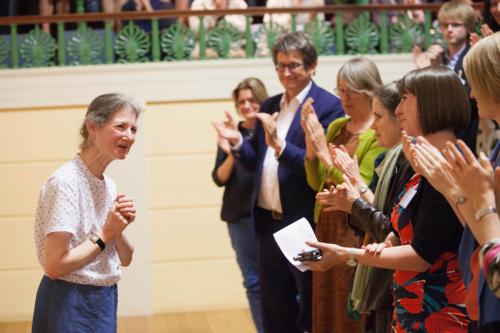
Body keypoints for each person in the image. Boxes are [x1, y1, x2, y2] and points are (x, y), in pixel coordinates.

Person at [305, 66, 471, 333]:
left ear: (431, 103)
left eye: (405, 99)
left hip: (437, 312)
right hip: (412, 305)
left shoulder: (445, 166)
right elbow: (402, 226)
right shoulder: (423, 165)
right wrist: (390, 239)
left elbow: (422, 254)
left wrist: (347, 254)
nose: (399, 110)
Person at [213, 31, 343, 333]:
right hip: (268, 224)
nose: (286, 73)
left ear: (312, 66)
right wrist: (236, 143)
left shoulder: (327, 107)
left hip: (304, 226)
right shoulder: (271, 103)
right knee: (275, 307)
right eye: (280, 66)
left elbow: (318, 168)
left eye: (294, 65)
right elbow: (255, 160)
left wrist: (280, 146)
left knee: (310, 302)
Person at [407, 32, 500, 331]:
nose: (471, 94)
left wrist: (467, 197)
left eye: (474, 82)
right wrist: (452, 189)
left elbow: (492, 231)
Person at [32, 93, 142, 333]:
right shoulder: (66, 182)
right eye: (121, 126)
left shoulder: (108, 184)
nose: (129, 136)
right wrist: (106, 232)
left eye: (133, 129)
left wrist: (118, 228)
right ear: (92, 126)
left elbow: (126, 258)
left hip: (103, 299)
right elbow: (54, 265)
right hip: (68, 301)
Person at [314, 83, 413, 333]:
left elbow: (391, 228)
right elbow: (385, 218)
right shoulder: (390, 158)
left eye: (378, 117)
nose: (374, 125)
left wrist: (353, 202)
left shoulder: (407, 163)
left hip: (401, 283)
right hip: (384, 276)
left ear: (401, 118)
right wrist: (353, 195)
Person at [301, 57, 385, 333]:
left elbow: (361, 187)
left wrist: (325, 157)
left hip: (354, 230)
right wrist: (311, 149)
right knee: (324, 306)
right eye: (340, 90)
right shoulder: (337, 126)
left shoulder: (376, 134)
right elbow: (317, 182)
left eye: (351, 91)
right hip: (325, 224)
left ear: (369, 91)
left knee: (348, 306)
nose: (344, 97)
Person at [211, 78, 268, 333]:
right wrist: (233, 149)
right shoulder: (232, 131)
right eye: (241, 101)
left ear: (262, 98)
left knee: (285, 280)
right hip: (240, 216)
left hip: (271, 214)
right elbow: (219, 178)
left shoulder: (271, 130)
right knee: (253, 281)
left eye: (251, 99)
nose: (246, 105)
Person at [413, 0, 479, 152]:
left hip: (465, 131)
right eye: (444, 25)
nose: (449, 29)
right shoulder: (438, 56)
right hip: (439, 130)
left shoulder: (473, 55)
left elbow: (470, 96)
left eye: (456, 25)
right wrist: (425, 71)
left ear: (468, 27)